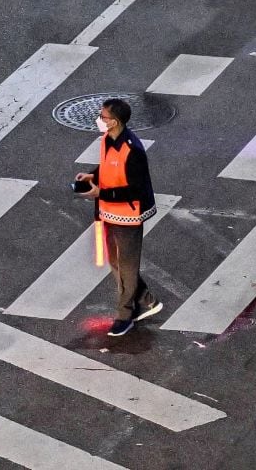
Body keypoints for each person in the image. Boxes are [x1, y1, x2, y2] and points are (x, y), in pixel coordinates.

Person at [75, 97, 162, 334]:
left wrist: (100, 192)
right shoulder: (107, 139)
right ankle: (146, 300)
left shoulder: (132, 150)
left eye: (103, 117)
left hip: (128, 216)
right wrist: (92, 176)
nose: (99, 120)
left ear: (114, 122)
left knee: (126, 265)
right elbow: (108, 166)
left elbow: (134, 189)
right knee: (116, 263)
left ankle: (126, 314)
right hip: (108, 212)